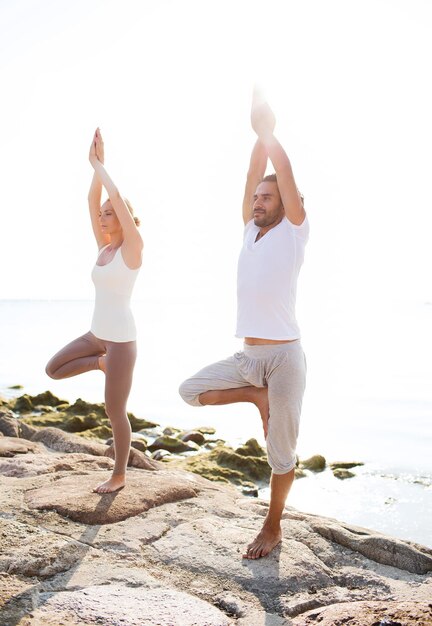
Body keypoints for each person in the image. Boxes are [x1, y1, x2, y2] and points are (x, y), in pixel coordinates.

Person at [179, 90, 309, 559]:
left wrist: (271, 134)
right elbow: (254, 173)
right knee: (191, 391)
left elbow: (284, 175)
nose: (257, 200)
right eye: (255, 196)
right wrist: (258, 134)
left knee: (282, 454)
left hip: (285, 359)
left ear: (286, 203)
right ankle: (255, 397)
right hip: (248, 358)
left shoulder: (295, 230)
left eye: (266, 197)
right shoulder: (249, 231)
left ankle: (272, 526)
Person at [46, 128, 148, 494]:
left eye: (109, 214)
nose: (103, 217)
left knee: (114, 411)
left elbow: (115, 197)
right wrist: (95, 168)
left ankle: (119, 474)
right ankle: (98, 364)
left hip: (121, 339)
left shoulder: (132, 248)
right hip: (96, 335)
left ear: (123, 219)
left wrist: (99, 164)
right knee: (53, 369)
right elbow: (93, 201)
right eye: (102, 214)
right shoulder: (103, 248)